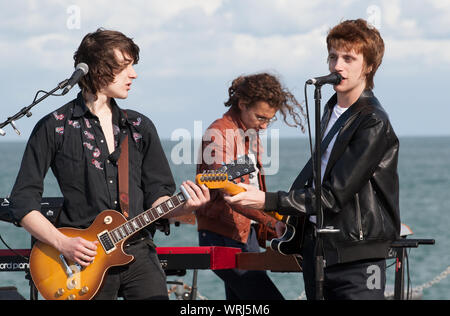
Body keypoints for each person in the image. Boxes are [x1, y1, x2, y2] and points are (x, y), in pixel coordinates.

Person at [8, 28, 209, 300]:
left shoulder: (139, 127)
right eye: (125, 67)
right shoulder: (54, 127)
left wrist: (185, 206)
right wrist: (63, 243)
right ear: (98, 70)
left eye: (133, 67)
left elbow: (157, 198)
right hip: (81, 260)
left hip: (138, 251)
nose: (133, 75)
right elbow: (23, 201)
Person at [224, 19, 400, 300]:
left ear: (368, 66)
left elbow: (333, 195)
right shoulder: (331, 111)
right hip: (320, 249)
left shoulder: (372, 121)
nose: (336, 66)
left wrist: (268, 201)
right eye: (332, 56)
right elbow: (318, 175)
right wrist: (293, 219)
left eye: (348, 58)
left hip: (357, 256)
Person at [196, 72, 306, 300]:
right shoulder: (219, 134)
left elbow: (250, 188)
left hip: (245, 234)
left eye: (269, 119)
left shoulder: (248, 132)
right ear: (243, 104)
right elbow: (229, 191)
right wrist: (271, 221)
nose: (264, 125)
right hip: (223, 236)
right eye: (261, 117)